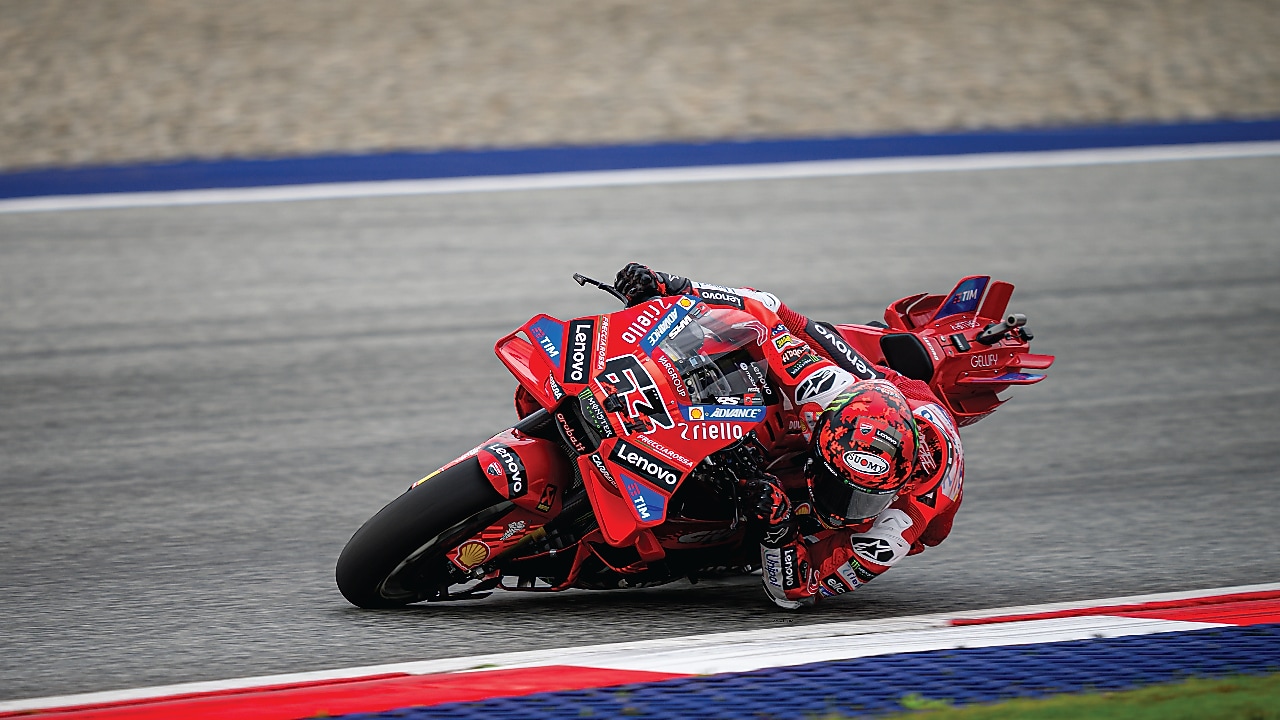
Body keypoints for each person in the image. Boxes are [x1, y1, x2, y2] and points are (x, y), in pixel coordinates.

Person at [614, 263, 965, 609]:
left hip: (915, 480)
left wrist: (779, 530)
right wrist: (671, 286)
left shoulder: (897, 527)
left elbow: (800, 592)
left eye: (863, 500)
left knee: (773, 507)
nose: (841, 507)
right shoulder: (825, 387)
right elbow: (766, 309)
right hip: (888, 391)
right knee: (780, 350)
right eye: (837, 490)